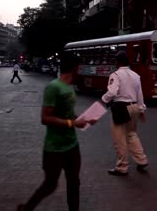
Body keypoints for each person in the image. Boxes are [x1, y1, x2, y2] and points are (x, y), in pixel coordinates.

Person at [17, 52, 95, 211]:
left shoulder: (69, 87)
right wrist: (72, 122)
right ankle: (26, 208)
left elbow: (67, 113)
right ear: (75, 68)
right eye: (79, 67)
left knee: (74, 182)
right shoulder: (53, 87)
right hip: (54, 148)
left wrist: (82, 119)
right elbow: (45, 118)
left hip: (72, 146)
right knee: (50, 185)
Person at [101, 51, 149, 176]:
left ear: (117, 62)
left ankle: (122, 167)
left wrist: (103, 100)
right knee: (132, 134)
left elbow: (112, 93)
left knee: (119, 138)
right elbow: (140, 95)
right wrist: (141, 109)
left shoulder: (115, 75)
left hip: (121, 108)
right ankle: (142, 160)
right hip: (134, 107)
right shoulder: (136, 75)